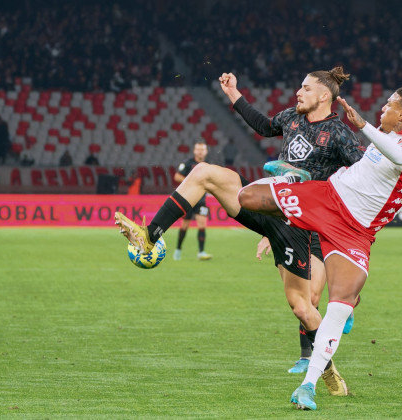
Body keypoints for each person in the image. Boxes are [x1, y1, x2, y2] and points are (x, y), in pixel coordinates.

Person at [115, 67, 364, 396]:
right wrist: (233, 92)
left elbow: (364, 174)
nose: (297, 92)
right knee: (205, 172)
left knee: (303, 307)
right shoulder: (291, 117)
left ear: (323, 96)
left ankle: (325, 367)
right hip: (267, 206)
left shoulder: (340, 133)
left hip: (300, 225)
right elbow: (263, 126)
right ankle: (151, 234)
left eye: (304, 88)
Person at [236, 88, 402, 410]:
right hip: (328, 197)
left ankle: (308, 386)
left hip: (355, 232)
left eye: (390, 104)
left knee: (337, 307)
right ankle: (298, 180)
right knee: (247, 198)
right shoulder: (384, 134)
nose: (383, 107)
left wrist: (364, 125)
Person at [174, 142, 212, 261]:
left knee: (202, 225)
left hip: (201, 200)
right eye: (198, 149)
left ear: (206, 152)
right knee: (185, 225)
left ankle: (201, 252)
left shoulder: (207, 166)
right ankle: (178, 250)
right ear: (194, 151)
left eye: (202, 149)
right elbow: (177, 176)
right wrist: (192, 180)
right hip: (189, 200)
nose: (200, 151)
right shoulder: (188, 164)